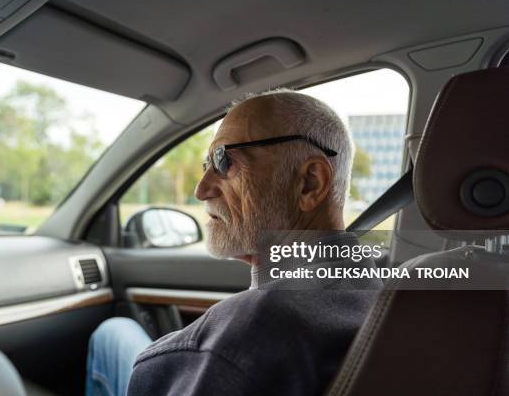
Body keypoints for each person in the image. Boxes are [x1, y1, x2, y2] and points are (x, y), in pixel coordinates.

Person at [85, 90, 381, 396]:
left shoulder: (255, 328)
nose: (201, 189)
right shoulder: (384, 296)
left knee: (112, 334)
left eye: (224, 160)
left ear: (310, 183)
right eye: (207, 165)